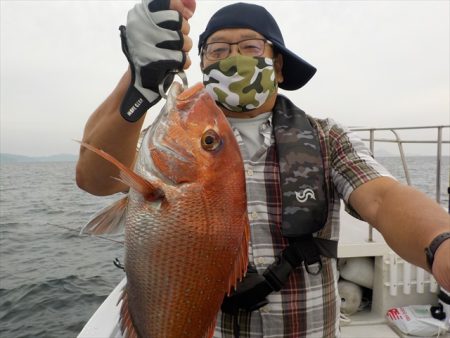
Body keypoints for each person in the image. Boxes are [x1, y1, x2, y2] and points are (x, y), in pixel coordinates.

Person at [76, 1, 450, 337]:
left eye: (251, 47)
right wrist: (137, 81)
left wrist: (440, 244)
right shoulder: (173, 136)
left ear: (279, 65)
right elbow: (93, 179)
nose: (233, 57)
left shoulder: (325, 137)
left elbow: (383, 198)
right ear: (203, 65)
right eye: (217, 50)